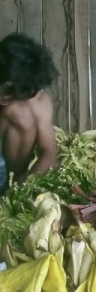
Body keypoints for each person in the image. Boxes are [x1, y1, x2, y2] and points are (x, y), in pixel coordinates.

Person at [0, 33, 59, 194]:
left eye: (10, 91)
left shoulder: (37, 101)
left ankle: (8, 189)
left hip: (9, 175)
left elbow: (49, 155)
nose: (4, 97)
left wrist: (19, 191)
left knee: (20, 114)